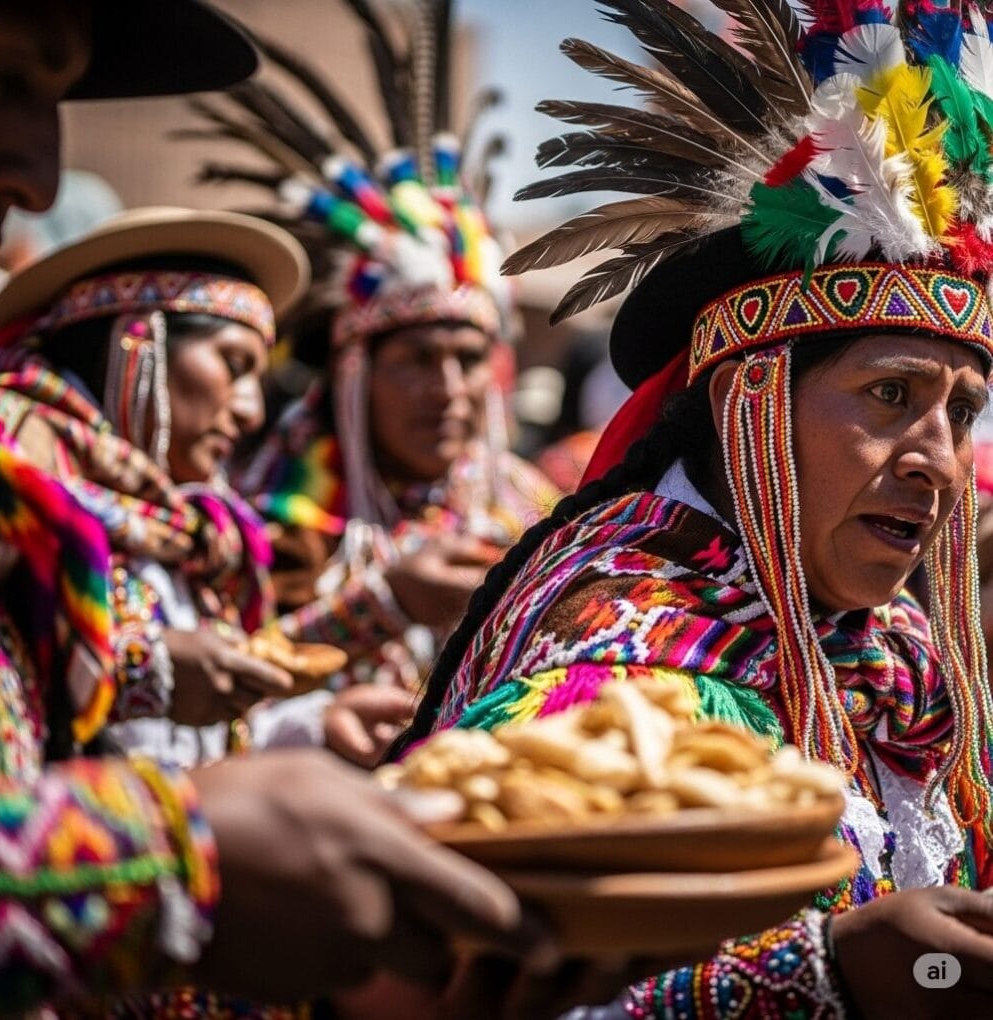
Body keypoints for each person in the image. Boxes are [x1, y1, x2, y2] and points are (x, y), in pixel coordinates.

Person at [398, 0, 993, 1016]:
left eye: (964, 411)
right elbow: (472, 993)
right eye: (893, 395)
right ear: (748, 402)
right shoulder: (608, 668)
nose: (940, 459)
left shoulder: (894, 649)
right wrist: (822, 976)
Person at [0, 3, 539, 1016]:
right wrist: (167, 864)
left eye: (469, 362)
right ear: (137, 355)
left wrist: (306, 723)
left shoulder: (181, 529)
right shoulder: (46, 501)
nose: (34, 177)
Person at [185, 24, 559, 767]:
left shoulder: (528, 508)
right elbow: (199, 693)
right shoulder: (265, 517)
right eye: (417, 360)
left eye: (467, 358)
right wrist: (382, 605)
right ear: (355, 373)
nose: (448, 390)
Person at [0, 204, 321, 767]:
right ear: (139, 345)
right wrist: (142, 669)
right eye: (234, 365)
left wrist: (319, 724)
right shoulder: (1, 460)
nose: (252, 411)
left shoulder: (195, 531)